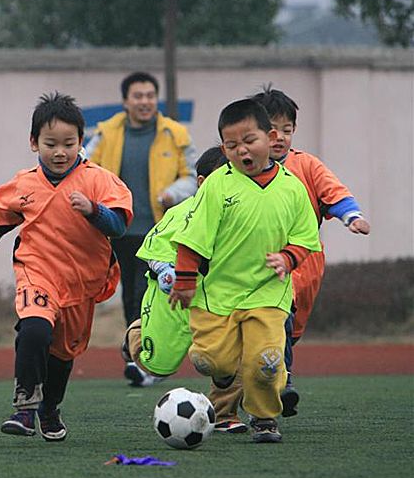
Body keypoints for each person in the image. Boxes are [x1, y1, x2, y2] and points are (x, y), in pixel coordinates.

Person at [0, 92, 133, 441]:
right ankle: (24, 409)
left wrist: (93, 210)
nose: (59, 152)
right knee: (35, 328)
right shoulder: (25, 182)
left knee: (62, 353)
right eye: (50, 143)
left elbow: (118, 227)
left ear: (80, 142)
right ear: (33, 142)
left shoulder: (99, 181)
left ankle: (50, 408)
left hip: (81, 280)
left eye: (68, 143)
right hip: (36, 271)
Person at [208, 86, 371, 423]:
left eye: (287, 129)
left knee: (283, 335)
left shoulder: (305, 166)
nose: (279, 137)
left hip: (303, 270)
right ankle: (276, 388)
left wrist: (350, 216)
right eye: (273, 129)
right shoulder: (233, 171)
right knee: (266, 330)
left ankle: (259, 395)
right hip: (252, 274)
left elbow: (334, 194)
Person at [169, 99, 321, 443]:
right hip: (219, 295)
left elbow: (305, 237)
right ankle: (223, 376)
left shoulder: (292, 187)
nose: (241, 151)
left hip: (268, 293)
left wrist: (288, 258)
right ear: (223, 148)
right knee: (212, 362)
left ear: (269, 138)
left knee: (265, 362)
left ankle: (265, 418)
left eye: (248, 141)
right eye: (232, 145)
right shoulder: (216, 186)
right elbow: (191, 238)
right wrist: (184, 280)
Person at [85, 71, 197, 383]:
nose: (144, 101)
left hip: (161, 232)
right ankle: (141, 355)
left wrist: (173, 193)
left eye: (150, 95)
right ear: (126, 101)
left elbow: (194, 176)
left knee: (147, 294)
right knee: (130, 296)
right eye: (138, 96)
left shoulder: (175, 134)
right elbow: (84, 166)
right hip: (120, 230)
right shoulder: (107, 134)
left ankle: (149, 363)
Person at [120, 148, 239, 409]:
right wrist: (165, 269)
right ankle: (136, 332)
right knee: (157, 365)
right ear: (202, 182)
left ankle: (226, 414)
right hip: (178, 294)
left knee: (227, 357)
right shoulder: (182, 212)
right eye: (223, 177)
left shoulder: (243, 212)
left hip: (223, 298)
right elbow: (153, 245)